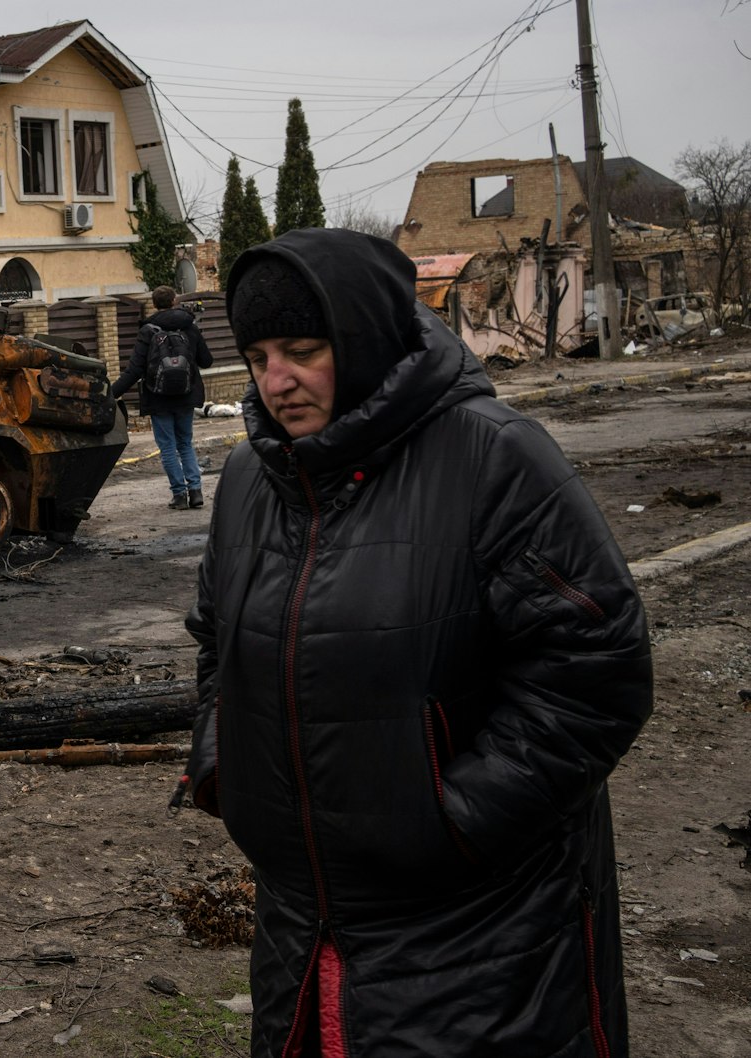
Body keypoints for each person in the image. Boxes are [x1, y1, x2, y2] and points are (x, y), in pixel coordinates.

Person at [175, 228, 653, 1057]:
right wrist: (226, 765)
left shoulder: (494, 459)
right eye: (256, 357)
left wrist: (453, 821)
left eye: (301, 350)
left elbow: (596, 671)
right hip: (301, 922)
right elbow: (217, 638)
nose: (275, 381)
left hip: (475, 929)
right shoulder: (256, 476)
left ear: (361, 339)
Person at [112, 285, 213, 509]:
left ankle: (179, 495)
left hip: (158, 399)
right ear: (175, 300)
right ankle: (195, 491)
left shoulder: (148, 330)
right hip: (186, 395)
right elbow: (207, 361)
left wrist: (111, 394)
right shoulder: (190, 326)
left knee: (167, 447)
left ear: (154, 303)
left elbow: (134, 370)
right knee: (185, 443)